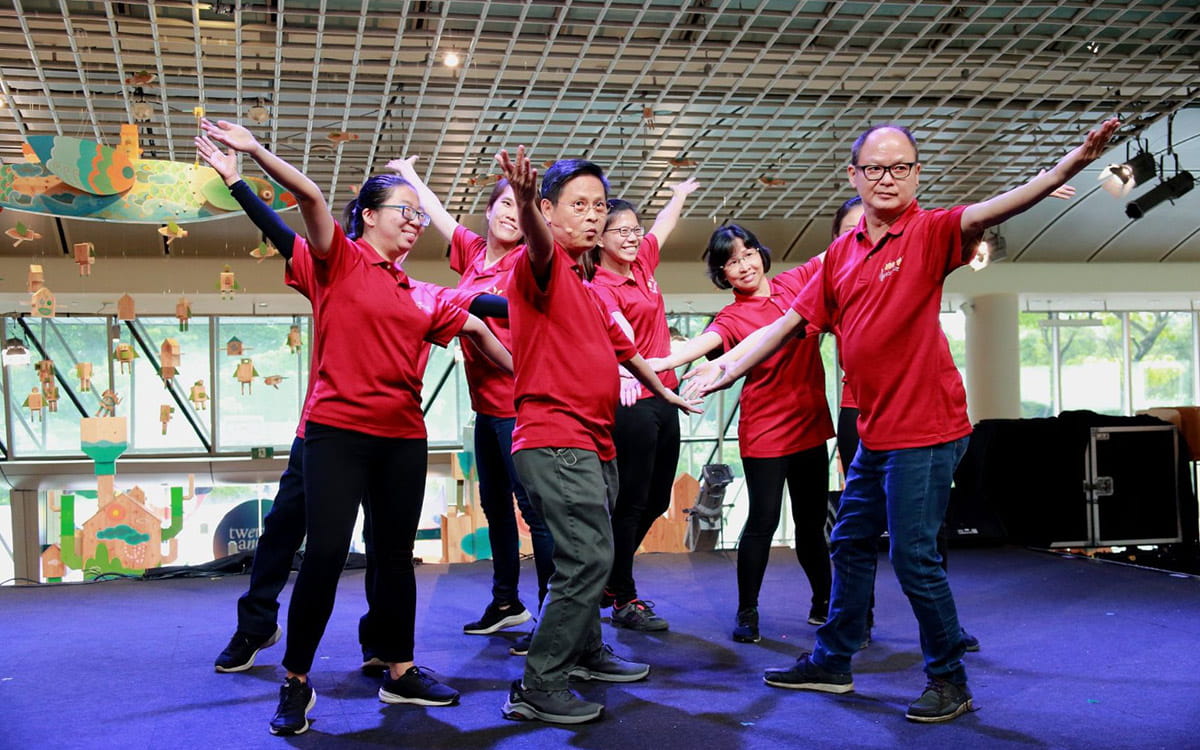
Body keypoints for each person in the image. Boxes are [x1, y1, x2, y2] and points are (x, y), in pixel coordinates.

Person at [691, 118, 1119, 723]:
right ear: (855, 175)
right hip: (876, 428)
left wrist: (1067, 165)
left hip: (927, 427)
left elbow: (997, 207)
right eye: (875, 168)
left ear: (916, 175)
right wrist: (727, 367)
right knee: (849, 541)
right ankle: (833, 661)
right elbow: (786, 325)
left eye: (900, 167)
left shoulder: (929, 231)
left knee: (914, 557)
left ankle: (950, 679)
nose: (887, 178)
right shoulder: (841, 254)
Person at [200, 118, 515, 737]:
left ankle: (399, 669)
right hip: (336, 432)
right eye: (405, 210)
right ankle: (296, 679)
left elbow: (481, 326)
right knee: (323, 554)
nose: (415, 221)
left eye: (420, 215)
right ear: (368, 216)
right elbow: (310, 198)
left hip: (403, 438)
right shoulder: (336, 261)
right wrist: (252, 155)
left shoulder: (424, 293)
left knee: (395, 558)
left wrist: (538, 378)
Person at [493, 147, 701, 725]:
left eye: (599, 206)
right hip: (555, 437)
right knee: (588, 559)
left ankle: (584, 651)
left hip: (594, 440)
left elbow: (628, 351)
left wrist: (664, 392)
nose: (592, 216)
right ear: (548, 212)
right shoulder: (540, 266)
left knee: (588, 557)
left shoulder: (588, 287)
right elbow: (538, 244)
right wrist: (526, 203)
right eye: (578, 205)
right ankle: (538, 683)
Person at [389, 157, 553, 655]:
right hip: (486, 406)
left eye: (518, 208)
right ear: (488, 209)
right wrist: (410, 176)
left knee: (535, 512)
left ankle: (553, 617)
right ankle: (506, 602)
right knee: (495, 507)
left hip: (521, 405)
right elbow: (439, 214)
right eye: (503, 204)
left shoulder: (526, 263)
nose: (509, 214)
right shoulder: (473, 252)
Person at [646, 224, 833, 645]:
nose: (744, 265)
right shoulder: (731, 317)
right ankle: (747, 610)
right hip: (766, 430)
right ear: (722, 274)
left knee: (811, 523)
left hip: (810, 424)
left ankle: (824, 603)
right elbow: (704, 343)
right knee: (763, 521)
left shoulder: (793, 284)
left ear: (761, 255)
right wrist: (659, 364)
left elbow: (834, 253)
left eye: (748, 254)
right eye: (732, 261)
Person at [586, 179, 698, 632]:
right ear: (600, 239)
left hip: (664, 395)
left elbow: (663, 228)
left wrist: (679, 195)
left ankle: (610, 577)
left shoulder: (643, 263)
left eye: (636, 229)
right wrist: (627, 371)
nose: (633, 237)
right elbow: (620, 335)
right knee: (631, 501)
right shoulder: (600, 284)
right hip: (631, 400)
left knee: (656, 498)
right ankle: (624, 598)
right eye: (622, 231)